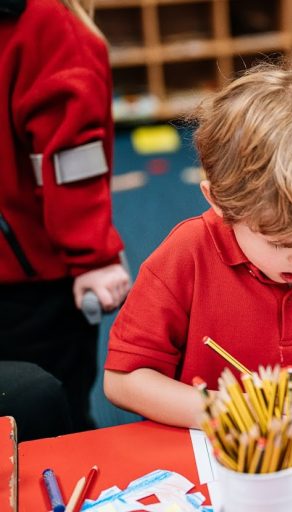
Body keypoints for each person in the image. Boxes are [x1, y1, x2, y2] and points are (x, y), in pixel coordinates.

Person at [103, 64, 292, 428]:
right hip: (217, 450)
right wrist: (221, 411)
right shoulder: (185, 256)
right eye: (280, 242)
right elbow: (122, 380)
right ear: (219, 201)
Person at [0, 0, 131, 438]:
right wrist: (93, 257)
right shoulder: (46, 20)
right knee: (55, 417)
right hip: (33, 277)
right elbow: (70, 156)